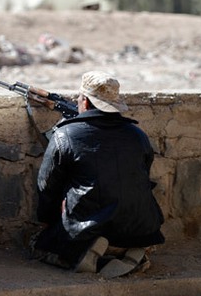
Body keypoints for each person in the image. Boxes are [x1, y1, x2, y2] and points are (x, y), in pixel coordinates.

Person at [30, 70, 165, 278]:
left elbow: (46, 186)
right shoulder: (138, 135)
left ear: (84, 102)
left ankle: (84, 253)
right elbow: (143, 177)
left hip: (89, 227)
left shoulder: (65, 134)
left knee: (38, 245)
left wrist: (49, 223)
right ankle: (130, 250)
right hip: (142, 226)